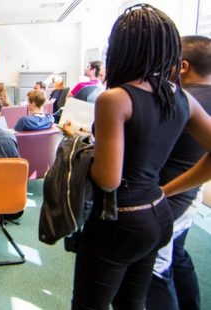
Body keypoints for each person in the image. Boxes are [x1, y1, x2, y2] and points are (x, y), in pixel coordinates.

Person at [71, 5, 211, 309]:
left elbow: (108, 179)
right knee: (132, 302)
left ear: (120, 49)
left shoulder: (115, 99)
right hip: (158, 213)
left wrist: (79, 155)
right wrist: (168, 190)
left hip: (119, 219)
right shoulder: (181, 96)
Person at [146, 35, 211, 310]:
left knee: (155, 271)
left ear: (182, 66)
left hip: (169, 199)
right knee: (178, 254)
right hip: (190, 195)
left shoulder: (181, 102)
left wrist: (166, 190)